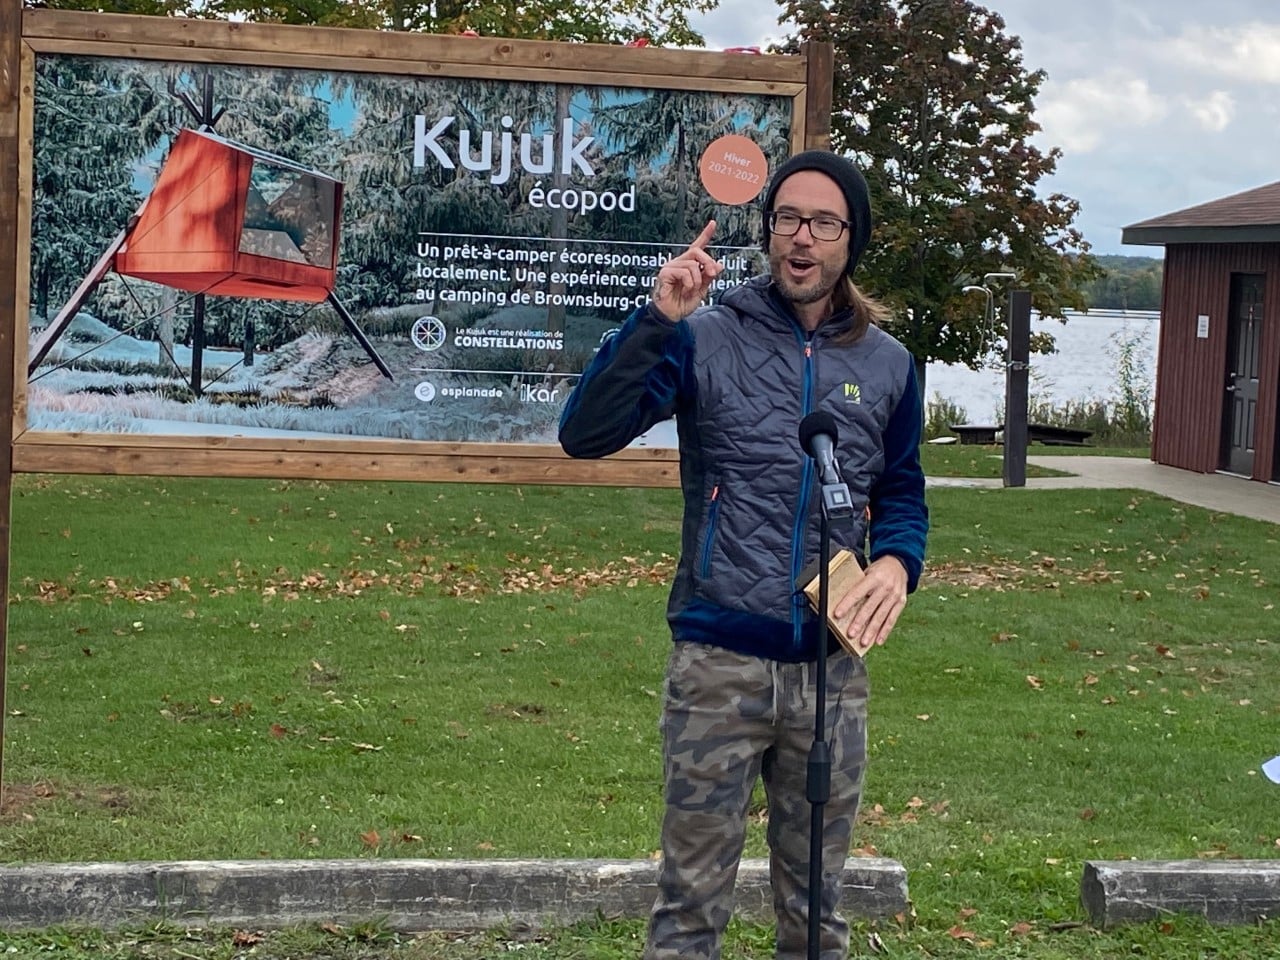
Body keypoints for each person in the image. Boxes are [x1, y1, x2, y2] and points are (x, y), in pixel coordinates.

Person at [558, 150, 928, 960]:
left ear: (851, 240)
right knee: (690, 909)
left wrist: (898, 562)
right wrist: (656, 320)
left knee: (816, 915)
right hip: (717, 666)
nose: (802, 238)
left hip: (830, 673)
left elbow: (902, 490)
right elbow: (584, 433)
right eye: (787, 218)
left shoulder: (890, 365)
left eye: (823, 222)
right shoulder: (705, 336)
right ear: (769, 233)